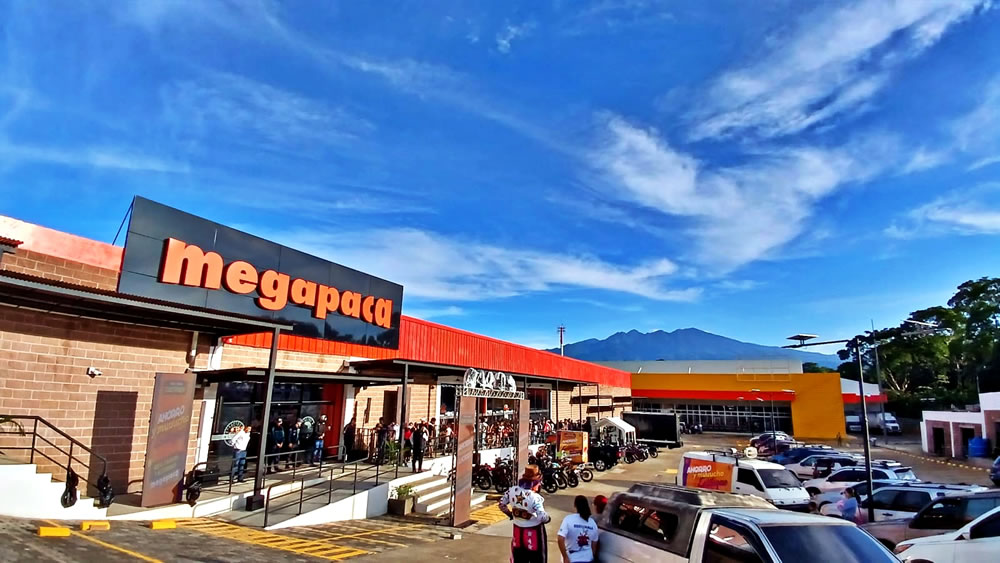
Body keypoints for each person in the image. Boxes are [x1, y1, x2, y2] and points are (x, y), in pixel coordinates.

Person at [498, 466, 550, 563]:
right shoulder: (534, 497)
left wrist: (510, 514)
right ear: (536, 482)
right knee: (538, 559)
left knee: (519, 558)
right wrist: (548, 518)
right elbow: (541, 516)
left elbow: (501, 504)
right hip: (534, 532)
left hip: (517, 531)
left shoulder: (512, 491)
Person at [558, 495, 600, 563]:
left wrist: (565, 557)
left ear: (575, 506)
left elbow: (560, 538)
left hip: (572, 559)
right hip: (588, 559)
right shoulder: (592, 523)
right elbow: (594, 545)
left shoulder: (568, 519)